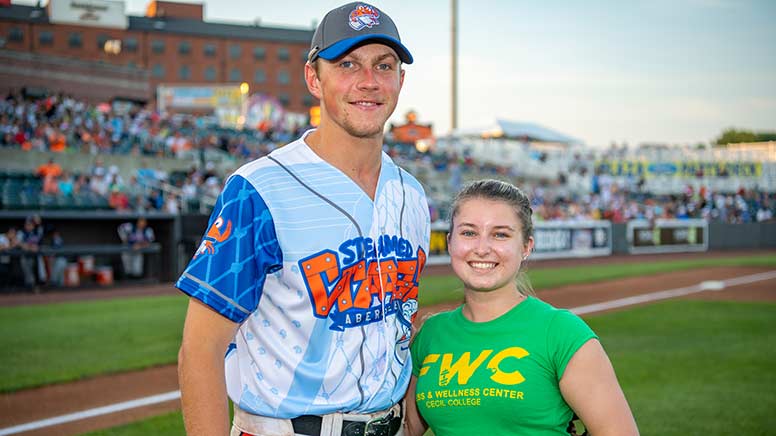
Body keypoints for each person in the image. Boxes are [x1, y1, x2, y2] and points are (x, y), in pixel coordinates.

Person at [176, 3, 430, 436]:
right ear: (314, 78)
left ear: (400, 81)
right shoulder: (259, 189)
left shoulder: (412, 194)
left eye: (383, 66)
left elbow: (398, 320)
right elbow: (199, 350)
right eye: (347, 64)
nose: (368, 81)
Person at [404, 180, 638, 436]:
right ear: (450, 242)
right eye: (469, 233)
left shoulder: (561, 332)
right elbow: (405, 430)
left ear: (526, 246)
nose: (482, 249)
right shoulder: (430, 335)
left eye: (500, 234)